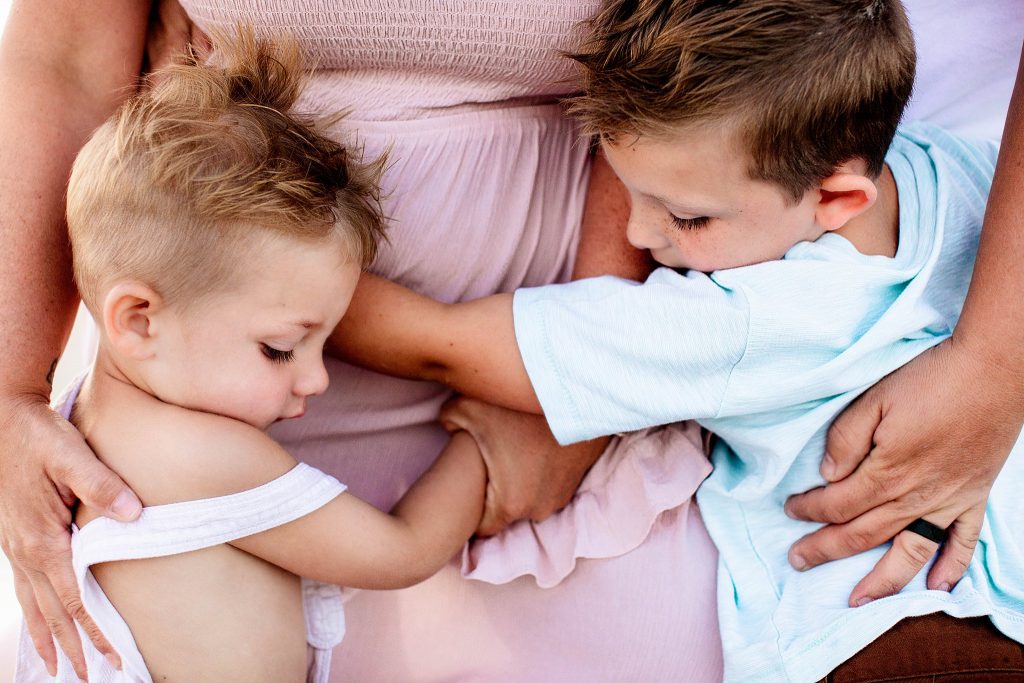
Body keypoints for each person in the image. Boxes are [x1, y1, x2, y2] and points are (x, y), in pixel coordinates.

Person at [1, 1, 1022, 681]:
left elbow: (443, 345)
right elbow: (57, 52)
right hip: (209, 359)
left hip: (583, 431)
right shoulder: (897, 196)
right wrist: (12, 386)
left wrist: (994, 360)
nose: (650, 227)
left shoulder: (718, 309)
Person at [329, 1, 1024, 680]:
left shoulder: (739, 319)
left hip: (863, 624)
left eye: (685, 216)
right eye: (630, 190)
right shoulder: (950, 169)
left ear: (838, 199)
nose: (638, 233)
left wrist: (273, 269)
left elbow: (440, 346)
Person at [14, 31, 489, 682]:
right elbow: (403, 552)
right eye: (281, 348)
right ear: (139, 319)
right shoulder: (208, 456)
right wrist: (487, 441)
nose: (318, 378)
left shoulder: (83, 426)